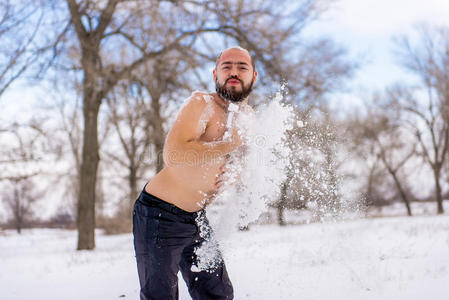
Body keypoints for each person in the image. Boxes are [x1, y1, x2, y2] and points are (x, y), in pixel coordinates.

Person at [132, 46, 257, 300]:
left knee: (217, 293)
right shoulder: (203, 104)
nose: (234, 72)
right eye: (227, 66)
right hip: (159, 214)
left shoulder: (248, 117)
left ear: (254, 76)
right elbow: (174, 154)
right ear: (215, 74)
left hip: (196, 218)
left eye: (242, 67)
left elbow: (243, 160)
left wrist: (236, 172)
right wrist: (229, 144)